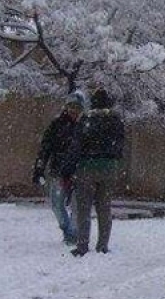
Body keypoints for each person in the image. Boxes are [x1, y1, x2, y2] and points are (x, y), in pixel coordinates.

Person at [70, 88, 125, 256]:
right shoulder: (115, 120)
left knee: (84, 208)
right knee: (104, 207)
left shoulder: (85, 119)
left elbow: (76, 144)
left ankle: (82, 246)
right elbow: (120, 143)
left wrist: (73, 164)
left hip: (87, 167)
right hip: (108, 168)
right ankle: (102, 245)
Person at [33, 91, 87, 245]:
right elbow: (46, 148)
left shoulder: (86, 125)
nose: (73, 110)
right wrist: (39, 167)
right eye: (71, 106)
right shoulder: (57, 124)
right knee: (57, 204)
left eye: (77, 107)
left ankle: (74, 234)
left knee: (78, 206)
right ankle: (67, 229)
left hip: (80, 171)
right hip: (59, 170)